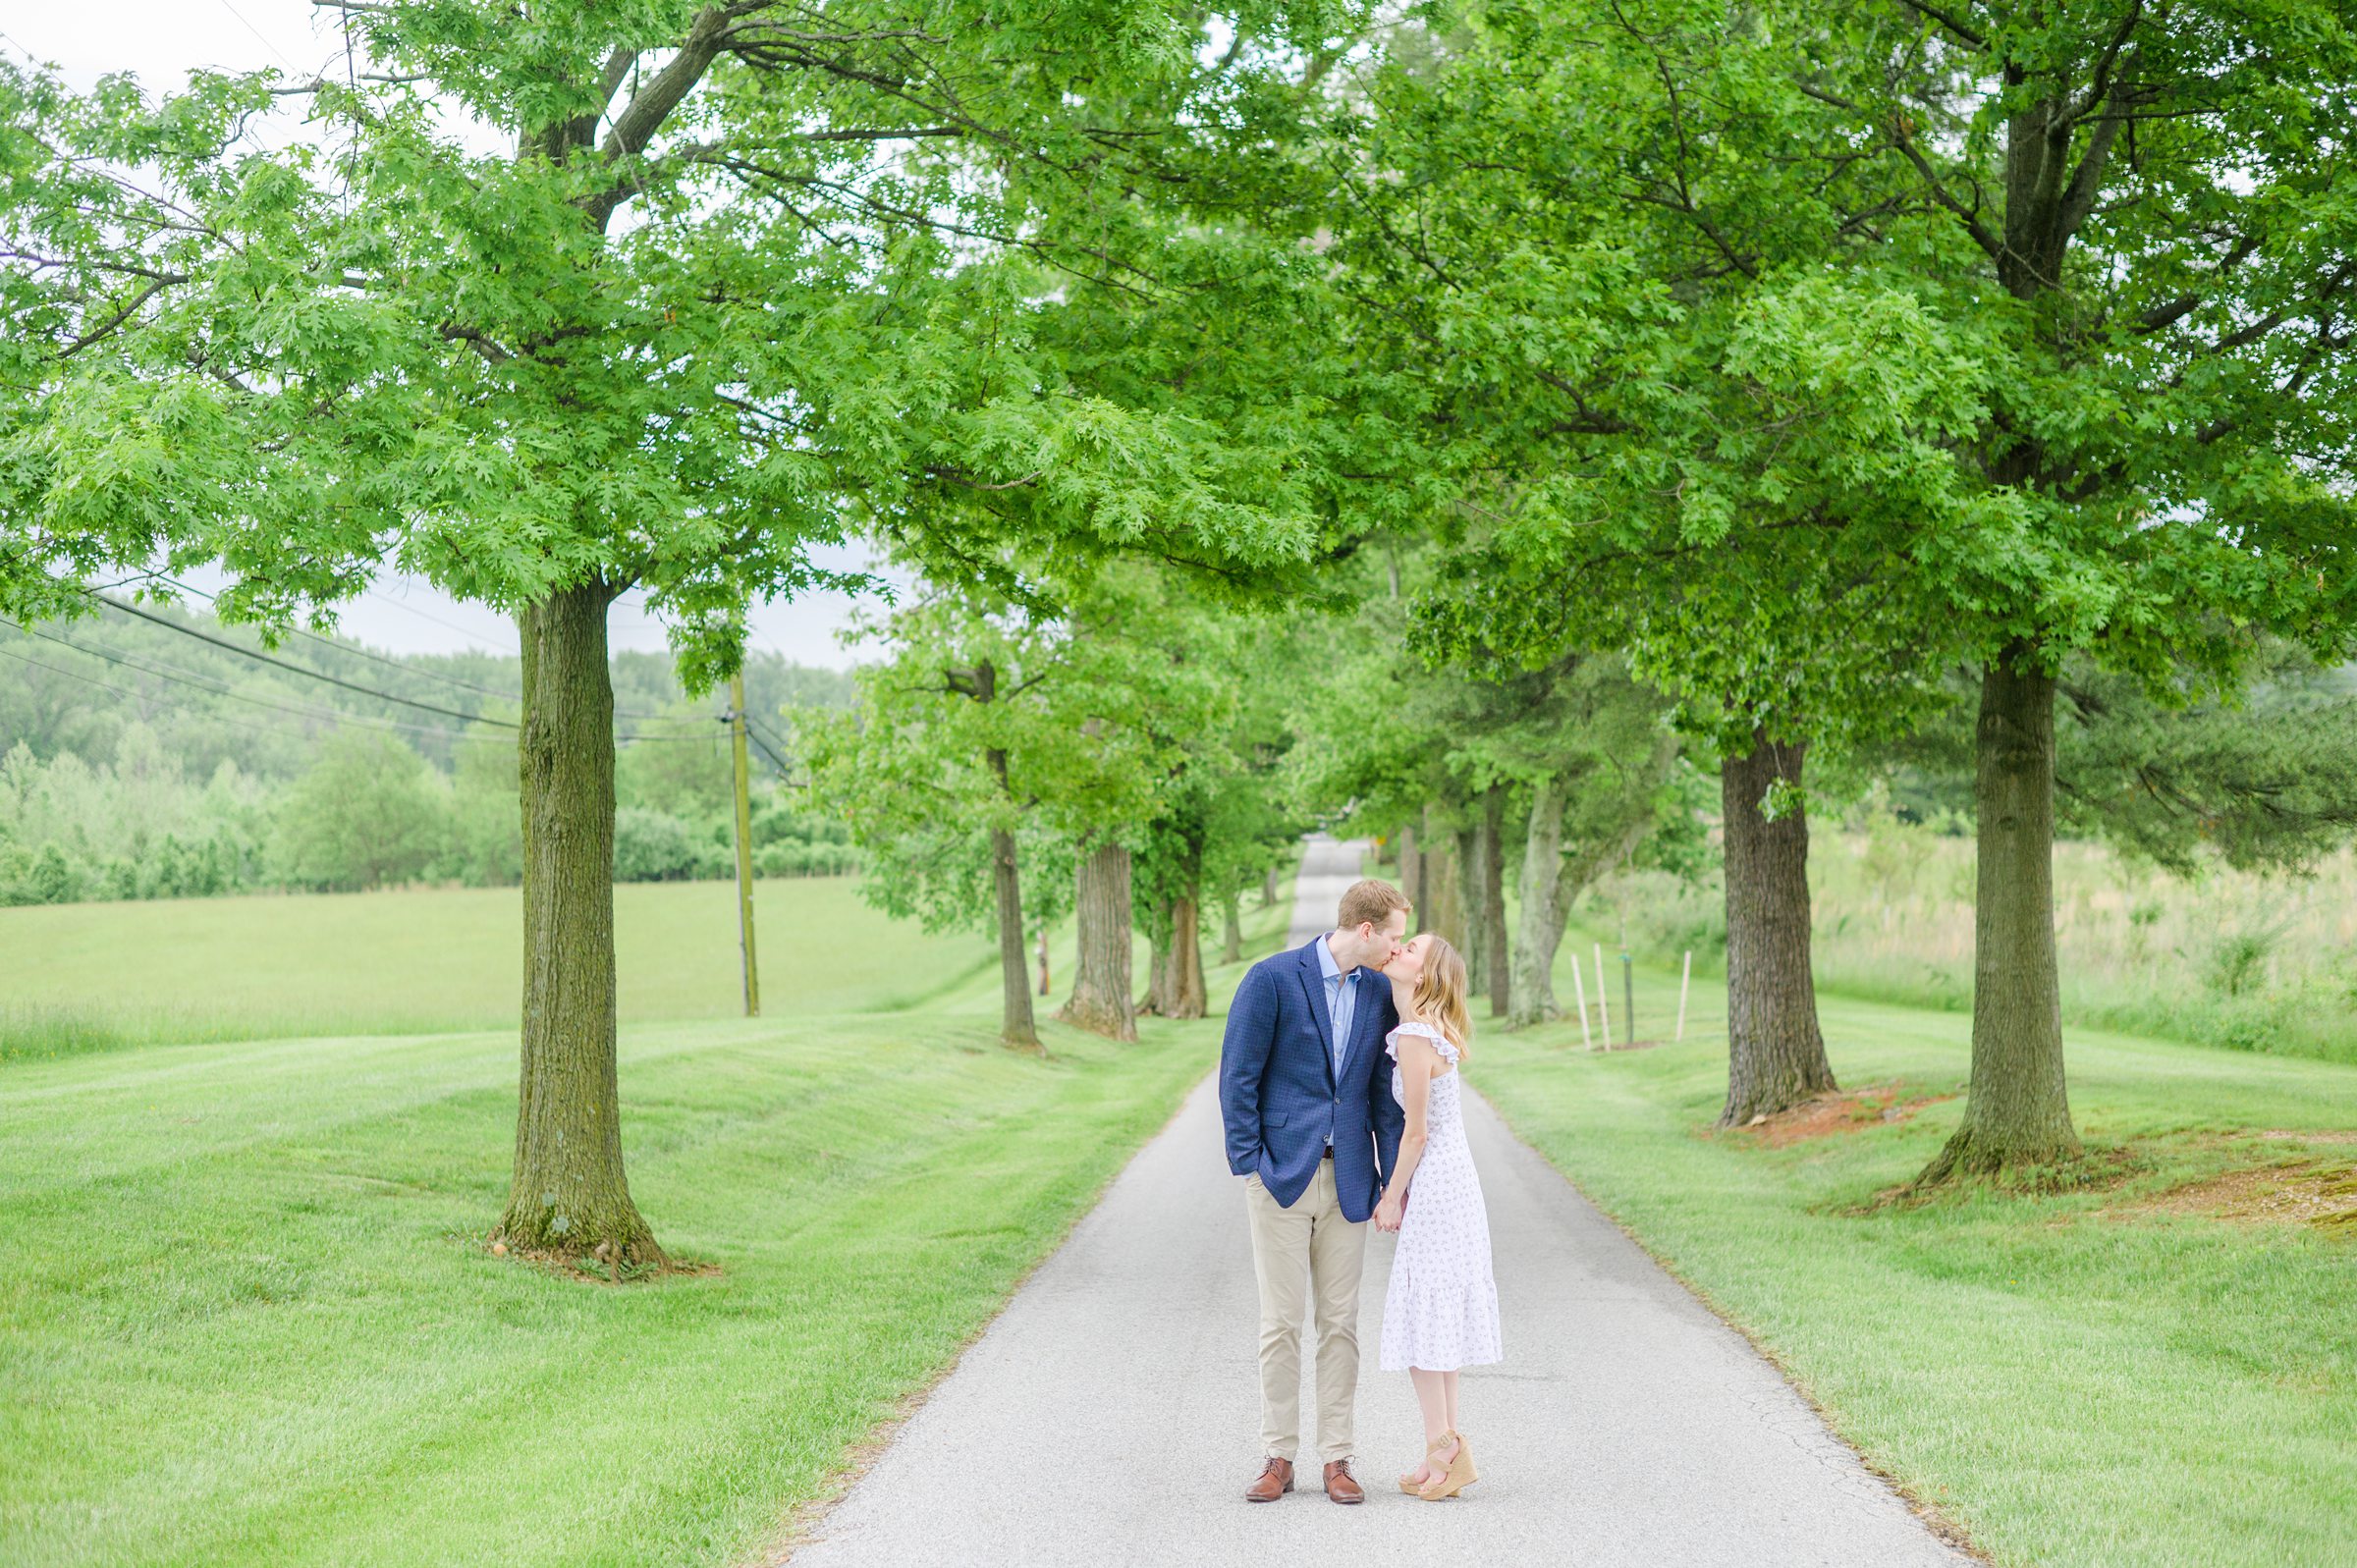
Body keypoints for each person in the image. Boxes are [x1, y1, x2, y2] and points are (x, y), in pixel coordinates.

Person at [1217, 878, 1410, 1505]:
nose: (1397, 948)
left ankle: (1338, 1458)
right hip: (1280, 1177)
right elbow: (1238, 1077)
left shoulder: (1381, 991)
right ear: (1365, 930)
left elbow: (1383, 1092)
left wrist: (1393, 1183)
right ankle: (1278, 1456)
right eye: (1395, 936)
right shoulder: (1272, 979)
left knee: (1341, 1324)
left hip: (1350, 1180)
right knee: (1281, 1323)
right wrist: (1250, 1163)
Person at [1373, 932, 1501, 1501]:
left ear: (1424, 977)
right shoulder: (1430, 1031)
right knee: (1438, 1321)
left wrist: (1390, 1195)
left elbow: (1417, 1132)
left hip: (1438, 1187)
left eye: (1410, 950)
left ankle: (1443, 1452)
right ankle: (1442, 1455)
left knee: (1424, 1322)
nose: (1398, 950)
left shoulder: (1415, 1038)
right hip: (1454, 1181)